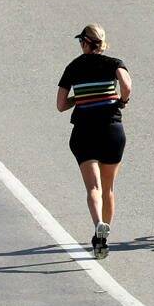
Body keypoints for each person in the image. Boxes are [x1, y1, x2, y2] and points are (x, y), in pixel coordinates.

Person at [56, 25, 132, 258]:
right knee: (108, 188)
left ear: (86, 43)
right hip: (112, 131)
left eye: (81, 41)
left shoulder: (73, 66)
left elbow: (60, 104)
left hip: (85, 132)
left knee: (93, 188)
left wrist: (78, 98)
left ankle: (98, 222)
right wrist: (121, 100)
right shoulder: (114, 63)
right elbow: (127, 85)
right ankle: (103, 237)